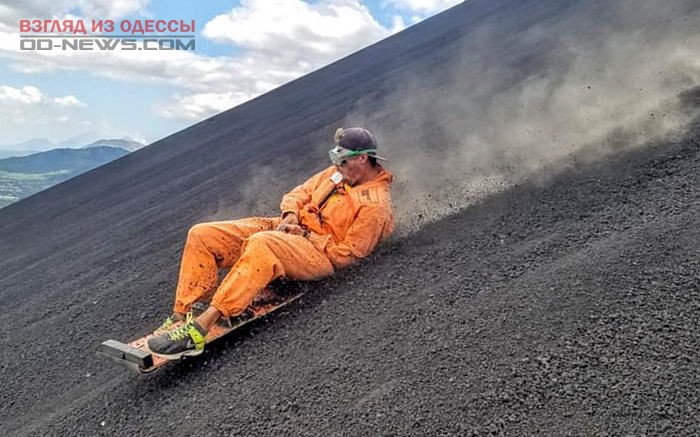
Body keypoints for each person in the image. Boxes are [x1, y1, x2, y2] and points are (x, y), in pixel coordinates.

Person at [147, 127, 394, 358]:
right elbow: (297, 194)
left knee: (262, 243)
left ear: (362, 159)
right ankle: (184, 313)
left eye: (344, 161)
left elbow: (349, 255)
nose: (338, 167)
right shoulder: (336, 173)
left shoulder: (374, 205)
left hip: (318, 255)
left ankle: (199, 330)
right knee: (203, 234)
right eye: (336, 160)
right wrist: (290, 217)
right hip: (291, 231)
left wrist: (305, 236)